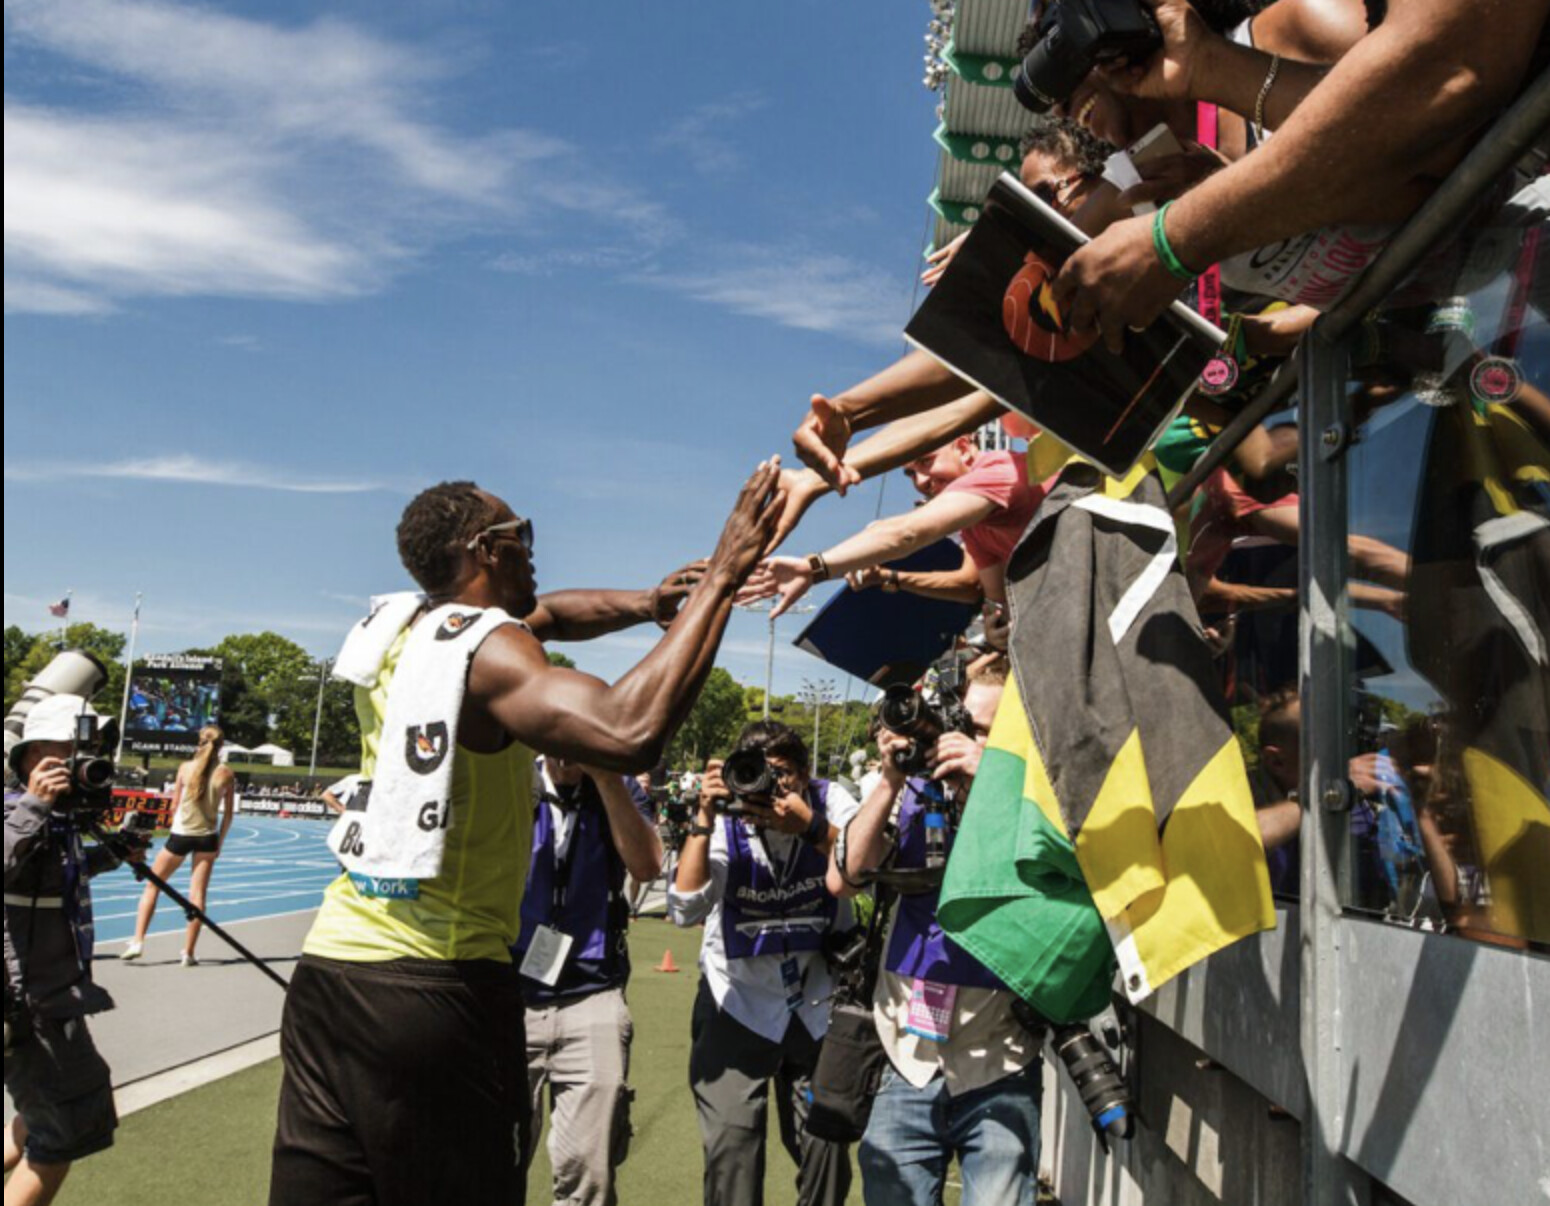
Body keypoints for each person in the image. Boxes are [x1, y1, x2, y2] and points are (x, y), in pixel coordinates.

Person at [268, 462, 784, 1206]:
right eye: (523, 534)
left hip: (333, 970)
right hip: (438, 982)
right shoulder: (489, 652)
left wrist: (648, 604)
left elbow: (553, 615)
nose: (534, 550)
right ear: (487, 549)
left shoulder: (404, 629)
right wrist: (722, 578)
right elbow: (628, 731)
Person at [1051, 0, 1550, 347]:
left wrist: (1176, 238)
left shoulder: (1299, 22)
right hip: (1499, 316)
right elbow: (1410, 182)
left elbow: (1440, 90)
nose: (1064, 112)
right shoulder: (1178, 165)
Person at [828, 660, 1045, 1206]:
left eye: (986, 732)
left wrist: (992, 777)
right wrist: (891, 779)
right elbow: (844, 878)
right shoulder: (911, 789)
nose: (965, 740)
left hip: (999, 1059)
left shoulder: (1034, 791)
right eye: (963, 725)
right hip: (908, 1058)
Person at [668, 721, 860, 1206]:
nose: (770, 787)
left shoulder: (829, 800)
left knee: (827, 1144)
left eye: (784, 774)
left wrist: (811, 828)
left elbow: (866, 866)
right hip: (738, 1001)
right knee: (732, 1149)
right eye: (759, 772)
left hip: (815, 1001)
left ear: (806, 774)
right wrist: (704, 816)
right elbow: (684, 908)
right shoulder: (728, 812)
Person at [4, 695, 143, 1206]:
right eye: (73, 747)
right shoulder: (17, 809)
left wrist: (112, 852)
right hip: (28, 1001)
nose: (87, 757)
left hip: (52, 995)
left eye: (93, 746)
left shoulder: (56, 817)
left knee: (53, 1113)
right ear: (32, 755)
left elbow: (53, 873)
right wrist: (34, 805)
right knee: (59, 1136)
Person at [517, 755, 662, 1206]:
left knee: (590, 1172)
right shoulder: (514, 778)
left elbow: (647, 866)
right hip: (506, 992)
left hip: (592, 989)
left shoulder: (619, 787)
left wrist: (606, 778)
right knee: (490, 1161)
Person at [743, 433, 1049, 617]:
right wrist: (997, 624)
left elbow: (906, 533)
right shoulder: (975, 525)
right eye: (910, 473)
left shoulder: (999, 471)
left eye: (926, 462)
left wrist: (814, 569)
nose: (921, 481)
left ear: (964, 448)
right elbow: (990, 595)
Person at [120, 725, 235, 966]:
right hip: (207, 837)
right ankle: (188, 952)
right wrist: (220, 842)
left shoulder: (185, 768)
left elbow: (174, 806)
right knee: (197, 896)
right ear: (221, 746)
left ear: (199, 742)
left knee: (153, 885)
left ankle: (138, 941)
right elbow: (228, 815)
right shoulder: (226, 773)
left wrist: (177, 824)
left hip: (181, 835)